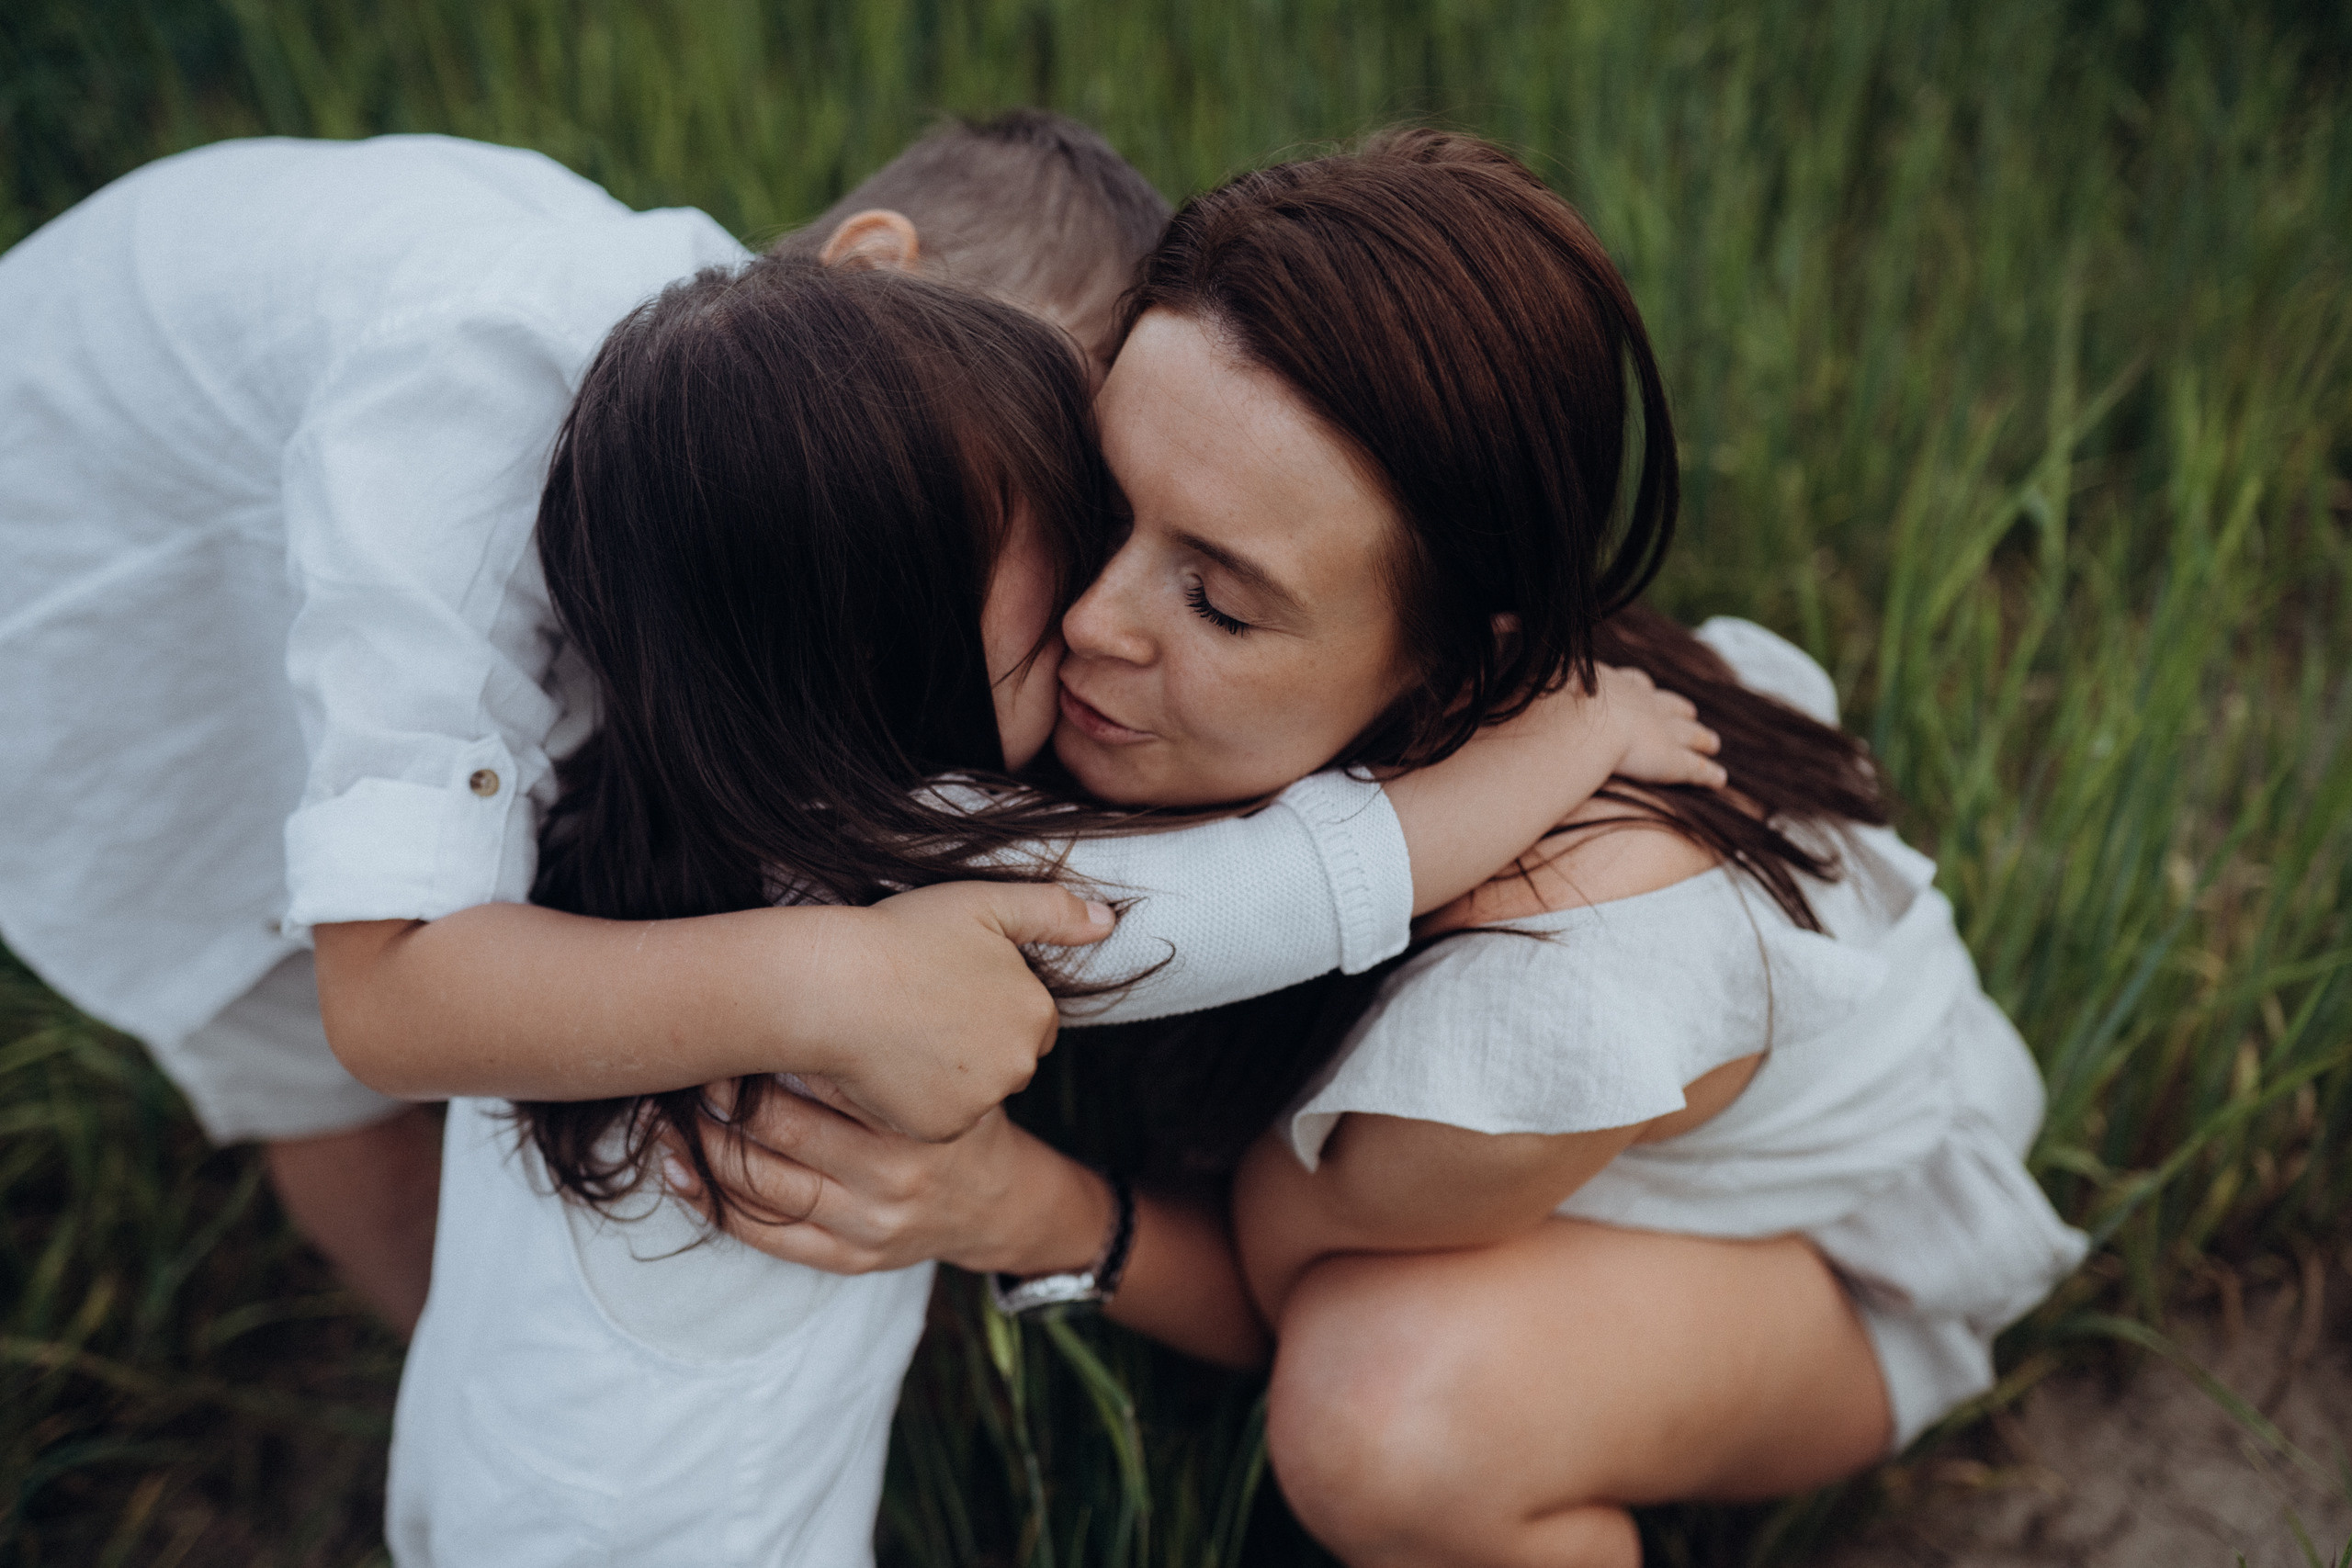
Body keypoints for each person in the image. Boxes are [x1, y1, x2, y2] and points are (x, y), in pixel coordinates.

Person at [695, 129, 2091, 1568]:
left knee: (1380, 1410)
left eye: (1222, 606)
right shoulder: (1305, 668)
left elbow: (1262, 1291)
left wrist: (1005, 1202)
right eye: (1104, 503)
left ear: (1450, 675)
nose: (1098, 620)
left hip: (1834, 1260)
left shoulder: (1554, 975)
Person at [386, 253, 1723, 1563]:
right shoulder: (926, 867)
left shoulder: (589, 811)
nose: (1090, 617)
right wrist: (1569, 734)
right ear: (890, 660)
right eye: (1052, 561)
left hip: (475, 1450)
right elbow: (1288, 889)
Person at [0, 110, 1171, 1336]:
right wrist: (836, 980)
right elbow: (387, 999)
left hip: (222, 457)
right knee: (307, 1017)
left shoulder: (735, 439)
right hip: (89, 613)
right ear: (877, 273)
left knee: (535, 919)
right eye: (1030, 457)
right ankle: (455, 1366)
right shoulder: (479, 409)